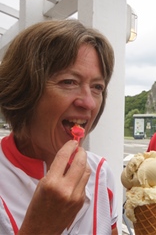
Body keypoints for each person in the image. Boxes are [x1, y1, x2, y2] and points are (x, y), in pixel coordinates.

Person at [0, 19, 118, 234]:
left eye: (97, 87)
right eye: (69, 82)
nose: (89, 103)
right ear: (23, 89)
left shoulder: (101, 173)